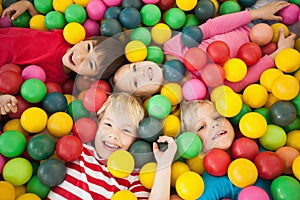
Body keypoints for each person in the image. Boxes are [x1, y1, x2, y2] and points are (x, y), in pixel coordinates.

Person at [47, 92, 178, 200]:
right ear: (97, 123)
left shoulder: (132, 176)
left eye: (126, 130)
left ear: (137, 139)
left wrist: (164, 165)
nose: (114, 135)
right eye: (108, 125)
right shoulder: (77, 149)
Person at [164, 0, 296, 93]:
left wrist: (255, 14)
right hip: (268, 49)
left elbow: (212, 27)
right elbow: (240, 82)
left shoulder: (172, 48)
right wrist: (278, 54)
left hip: (249, 21)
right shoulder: (197, 91)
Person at [1, 0, 126, 85]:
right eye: (88, 47)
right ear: (85, 39)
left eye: (91, 64)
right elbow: (41, 25)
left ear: (88, 77)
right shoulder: (65, 35)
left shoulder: (54, 79)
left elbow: (11, 82)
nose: (80, 56)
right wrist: (28, 5)